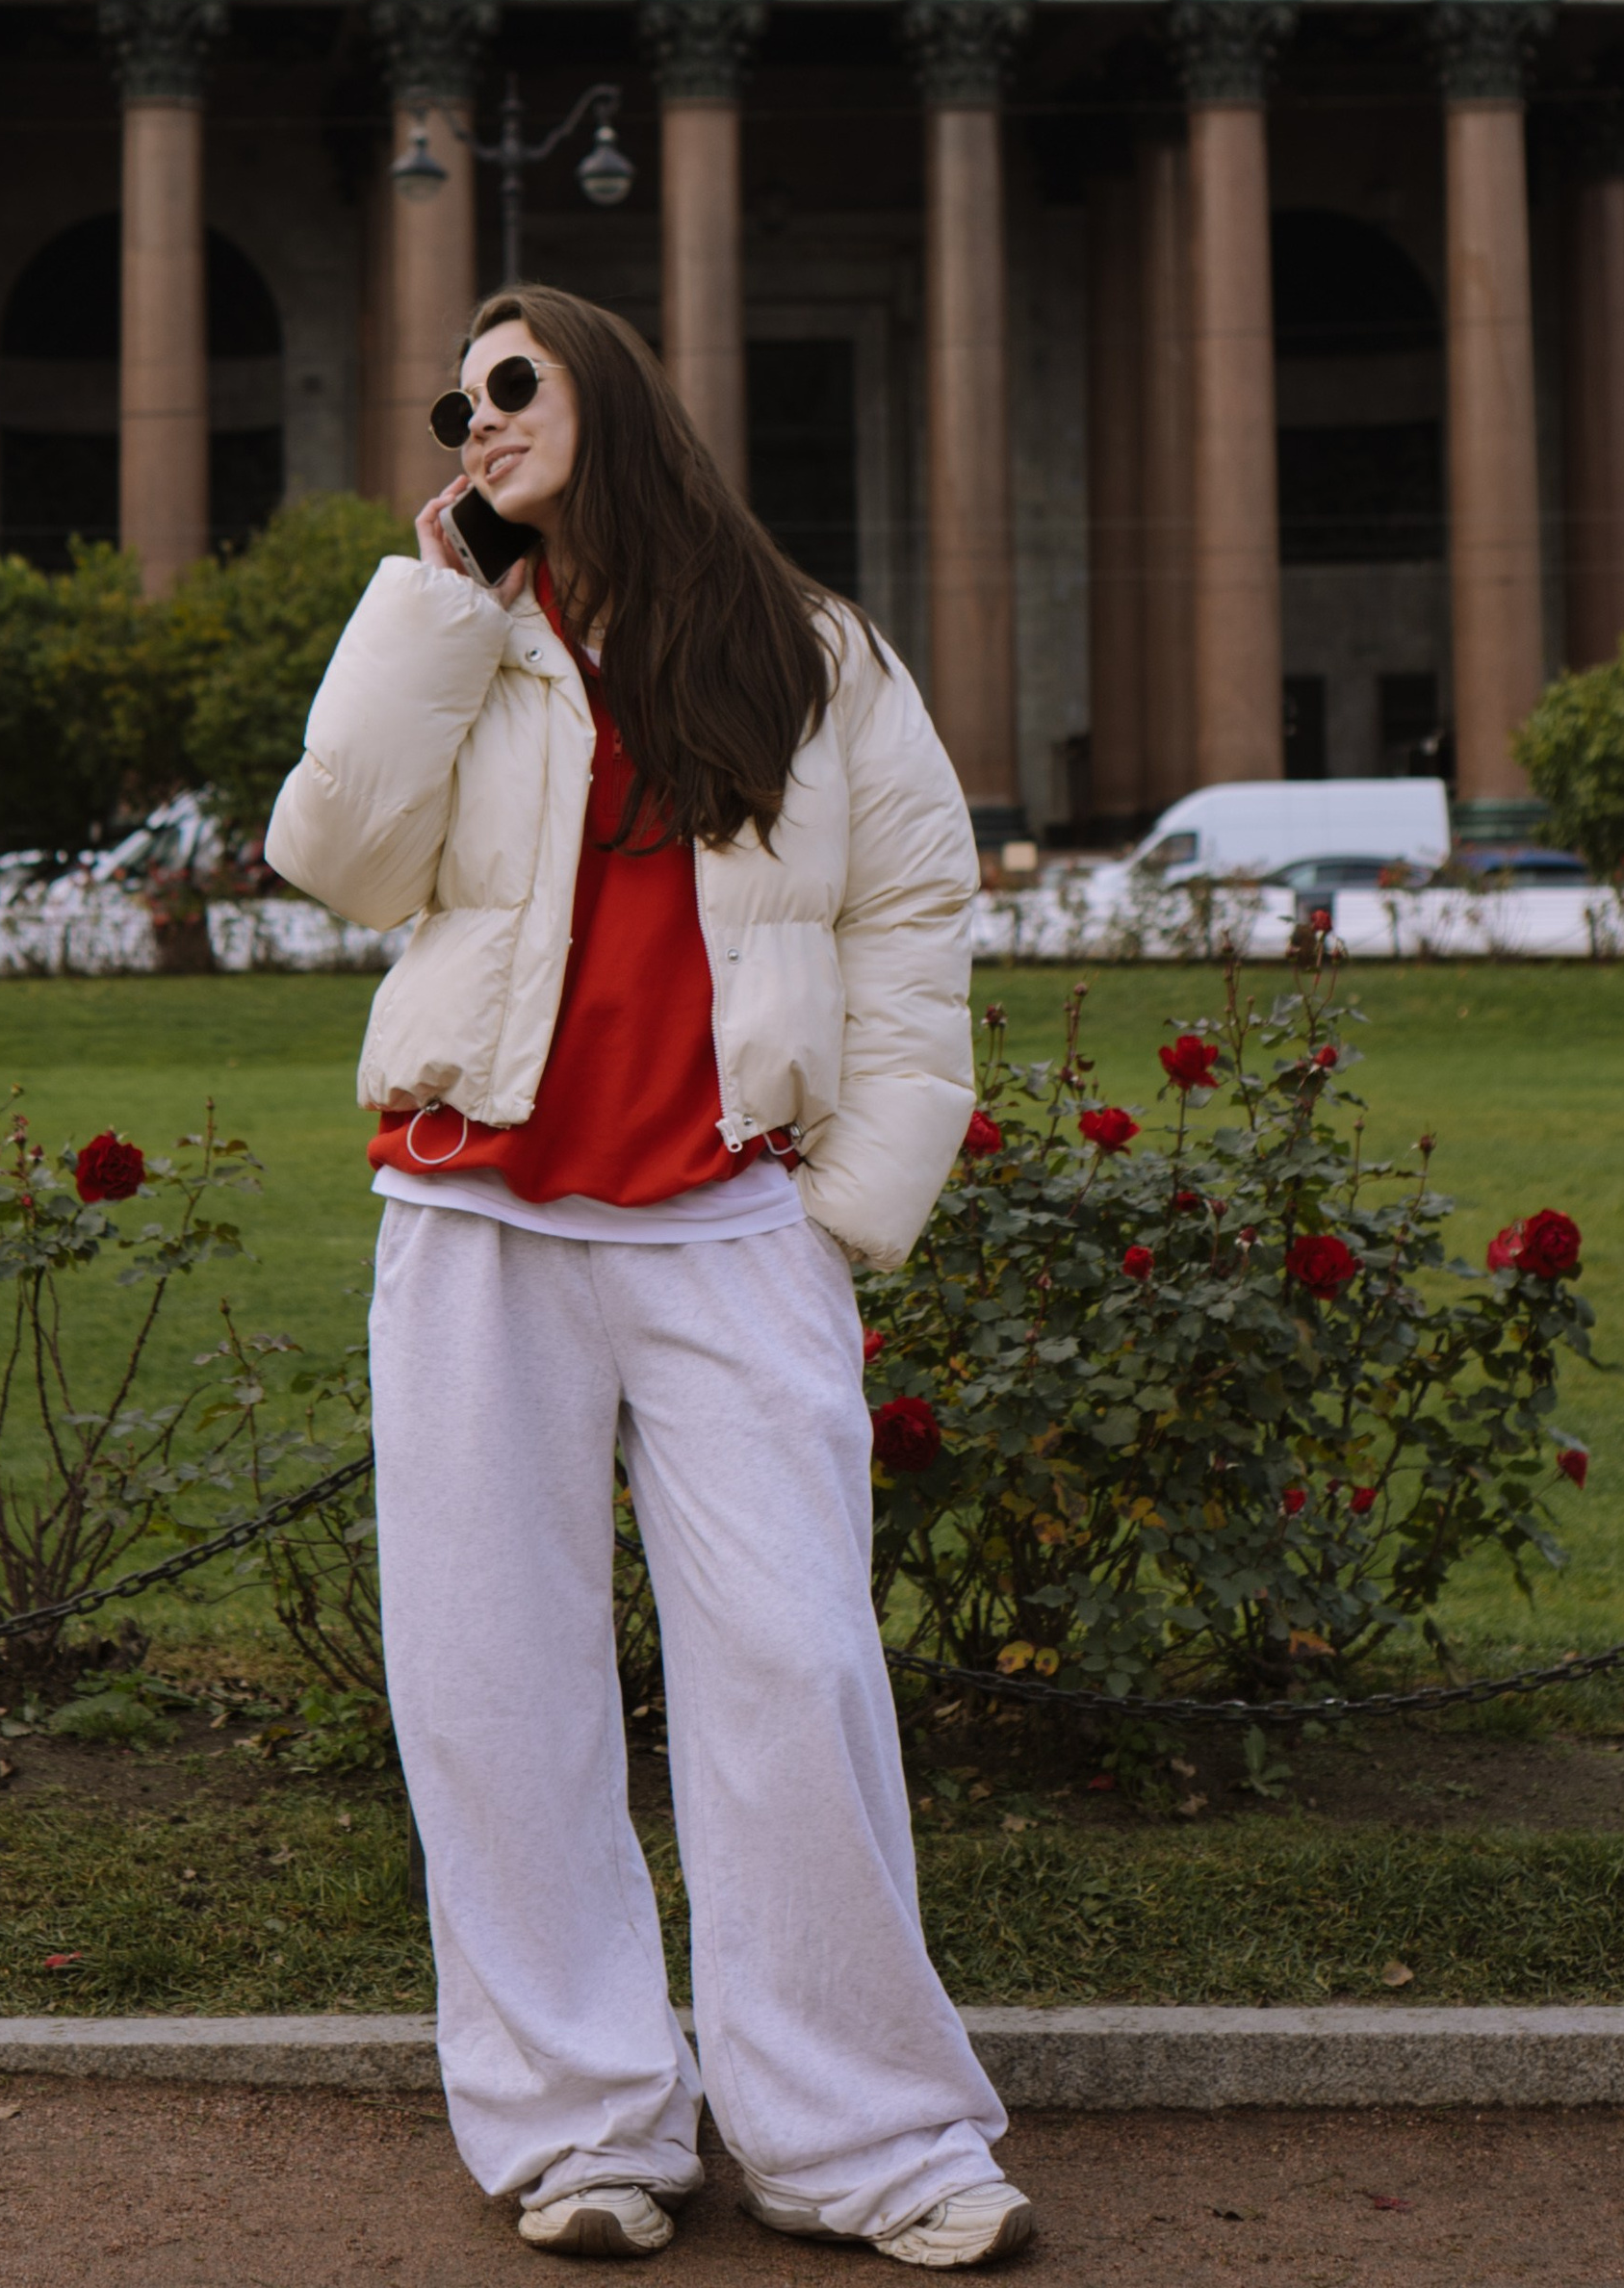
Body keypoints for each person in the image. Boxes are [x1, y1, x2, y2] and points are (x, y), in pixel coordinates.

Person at [267, 286, 1033, 2271]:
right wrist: (430, 603)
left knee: (792, 1667)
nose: (471, 418)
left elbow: (913, 914)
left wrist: (850, 1200)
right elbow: (335, 857)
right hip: (473, 1213)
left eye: (507, 385)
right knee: (488, 1683)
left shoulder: (808, 655)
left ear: (608, 395)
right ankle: (582, 2130)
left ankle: (867, 2142)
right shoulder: (459, 641)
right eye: (451, 399)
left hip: (723, 1218)